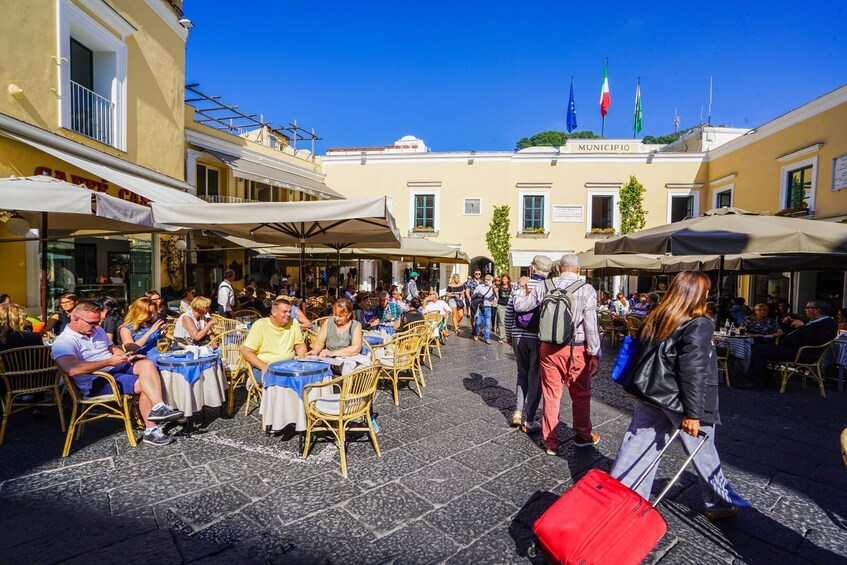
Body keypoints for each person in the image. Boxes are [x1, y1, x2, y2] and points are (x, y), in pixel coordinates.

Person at [609, 270, 749, 521]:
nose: (710, 295)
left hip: (648, 391)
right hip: (678, 399)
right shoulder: (699, 323)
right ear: (698, 294)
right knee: (703, 449)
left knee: (637, 444)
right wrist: (693, 414)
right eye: (707, 291)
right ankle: (719, 502)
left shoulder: (660, 316)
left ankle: (622, 496)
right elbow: (694, 370)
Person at [52, 301, 183, 446]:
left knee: (147, 364)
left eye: (98, 322)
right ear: (76, 319)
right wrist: (109, 362)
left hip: (114, 367)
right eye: (92, 323)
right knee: (145, 384)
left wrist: (125, 356)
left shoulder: (97, 330)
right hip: (96, 379)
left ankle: (158, 407)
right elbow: (72, 369)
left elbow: (113, 348)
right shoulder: (64, 341)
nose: (97, 327)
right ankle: (151, 430)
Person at [513, 254, 601, 453]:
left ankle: (551, 443)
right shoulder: (586, 289)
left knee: (551, 395)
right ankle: (582, 435)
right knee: (580, 394)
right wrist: (594, 353)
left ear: (560, 268)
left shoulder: (546, 285)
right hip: (576, 349)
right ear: (578, 270)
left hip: (548, 348)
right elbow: (591, 325)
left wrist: (520, 287)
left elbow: (520, 306)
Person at [742, 299, 838, 389]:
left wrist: (802, 326)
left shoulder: (827, 324)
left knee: (760, 350)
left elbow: (816, 340)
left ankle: (755, 381)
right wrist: (788, 323)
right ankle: (766, 379)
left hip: (802, 353)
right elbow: (792, 334)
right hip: (790, 348)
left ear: (817, 310)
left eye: (808, 308)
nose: (805, 310)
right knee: (759, 346)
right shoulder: (812, 321)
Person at [504, 255, 551, 432]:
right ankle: (530, 420)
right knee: (535, 377)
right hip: (538, 337)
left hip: (518, 335)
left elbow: (510, 311)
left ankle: (517, 412)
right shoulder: (548, 287)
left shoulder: (519, 284)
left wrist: (509, 334)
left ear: (532, 269)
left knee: (521, 374)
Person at [241, 297, 307, 380]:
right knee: (283, 381)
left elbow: (300, 345)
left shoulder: (293, 322)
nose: (289, 314)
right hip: (266, 365)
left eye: (290, 311)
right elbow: (246, 352)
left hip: (290, 364)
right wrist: (263, 367)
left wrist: (302, 363)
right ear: (273, 312)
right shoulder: (260, 325)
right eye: (285, 311)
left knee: (310, 378)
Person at [472, 274, 497, 344]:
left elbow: (495, 297)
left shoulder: (493, 288)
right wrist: (478, 296)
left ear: (491, 280)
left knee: (487, 324)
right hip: (479, 307)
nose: (486, 280)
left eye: (488, 279)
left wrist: (493, 290)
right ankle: (476, 334)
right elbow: (473, 295)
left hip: (488, 307)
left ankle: (487, 338)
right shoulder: (479, 287)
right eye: (485, 279)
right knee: (478, 322)